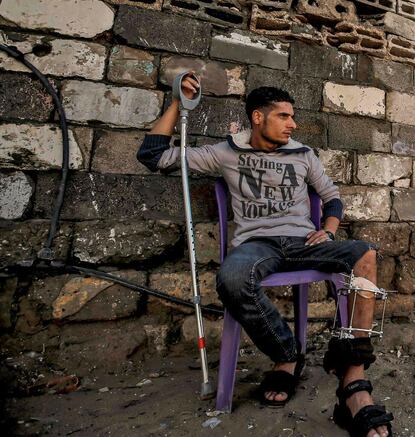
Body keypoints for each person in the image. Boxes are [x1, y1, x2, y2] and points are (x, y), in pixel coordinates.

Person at [136, 74, 392, 437]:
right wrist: (179, 103)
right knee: (232, 279)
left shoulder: (304, 154)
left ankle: (353, 378)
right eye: (284, 117)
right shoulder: (226, 152)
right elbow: (153, 156)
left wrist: (330, 229)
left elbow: (332, 198)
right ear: (258, 117)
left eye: (292, 117)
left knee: (365, 253)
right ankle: (288, 355)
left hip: (305, 242)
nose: (293, 124)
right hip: (257, 245)